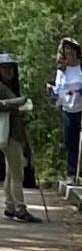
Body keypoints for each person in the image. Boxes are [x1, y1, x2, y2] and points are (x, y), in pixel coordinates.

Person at [49, 36, 82, 182]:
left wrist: (81, 90)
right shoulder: (61, 71)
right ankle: (72, 173)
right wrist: (52, 91)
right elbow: (58, 91)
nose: (69, 51)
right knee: (70, 142)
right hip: (68, 110)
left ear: (77, 51)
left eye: (71, 49)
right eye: (66, 49)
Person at [0, 53, 40, 223]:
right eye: (4, 68)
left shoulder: (11, 87)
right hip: (8, 134)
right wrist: (19, 102)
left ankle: (10, 205)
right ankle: (20, 208)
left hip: (14, 132)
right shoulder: (2, 87)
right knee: (18, 173)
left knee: (10, 172)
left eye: (10, 68)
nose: (8, 71)